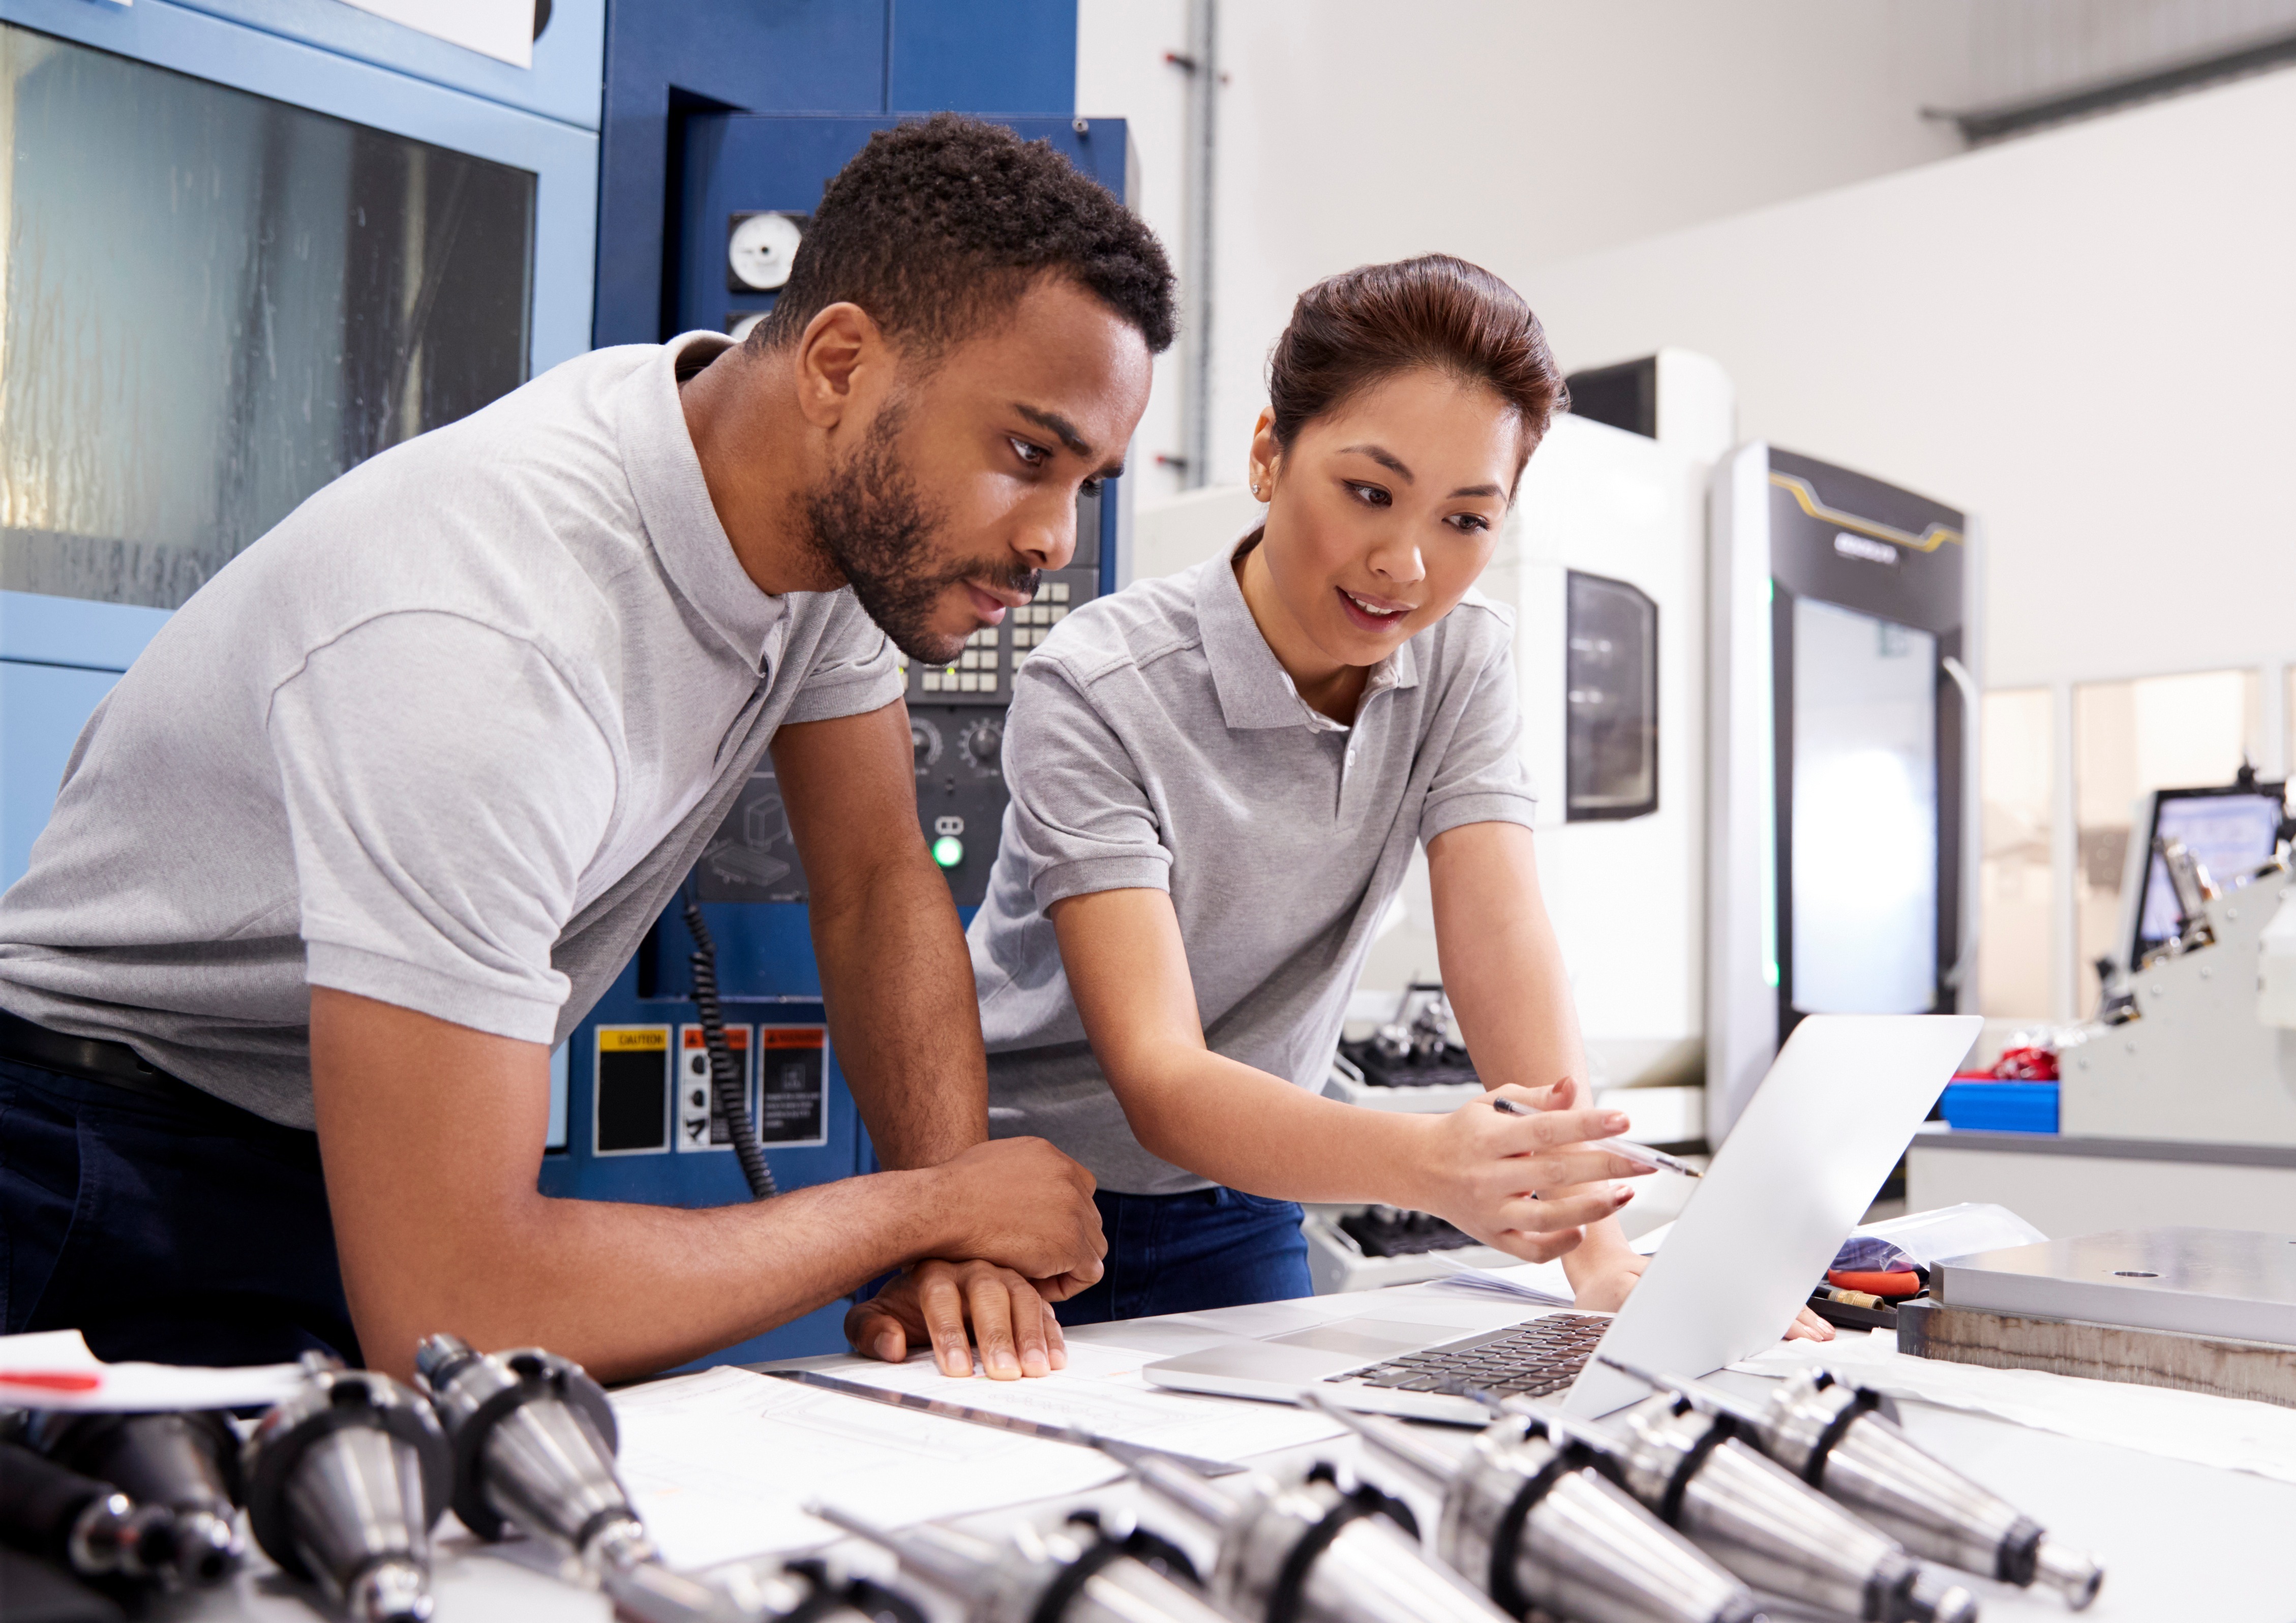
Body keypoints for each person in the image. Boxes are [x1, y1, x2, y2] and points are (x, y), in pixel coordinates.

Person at [0, 116, 1169, 1381]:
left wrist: (959, 1239)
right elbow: (458, 1309)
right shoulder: (488, 636)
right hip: (92, 1170)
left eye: (1087, 481)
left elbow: (877, 879)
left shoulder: (811, 524)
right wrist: (926, 1212)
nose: (1054, 538)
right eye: (1025, 454)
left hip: (325, 1150)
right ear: (839, 365)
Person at [850, 255, 1830, 1352]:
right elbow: (1161, 1076)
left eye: (1467, 519)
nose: (1404, 563)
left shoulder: (1462, 663)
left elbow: (1500, 936)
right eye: (1370, 493)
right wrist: (1426, 1164)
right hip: (1030, 1206)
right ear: (1270, 455)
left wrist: (1597, 1254)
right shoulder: (1099, 684)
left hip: (1248, 1202)